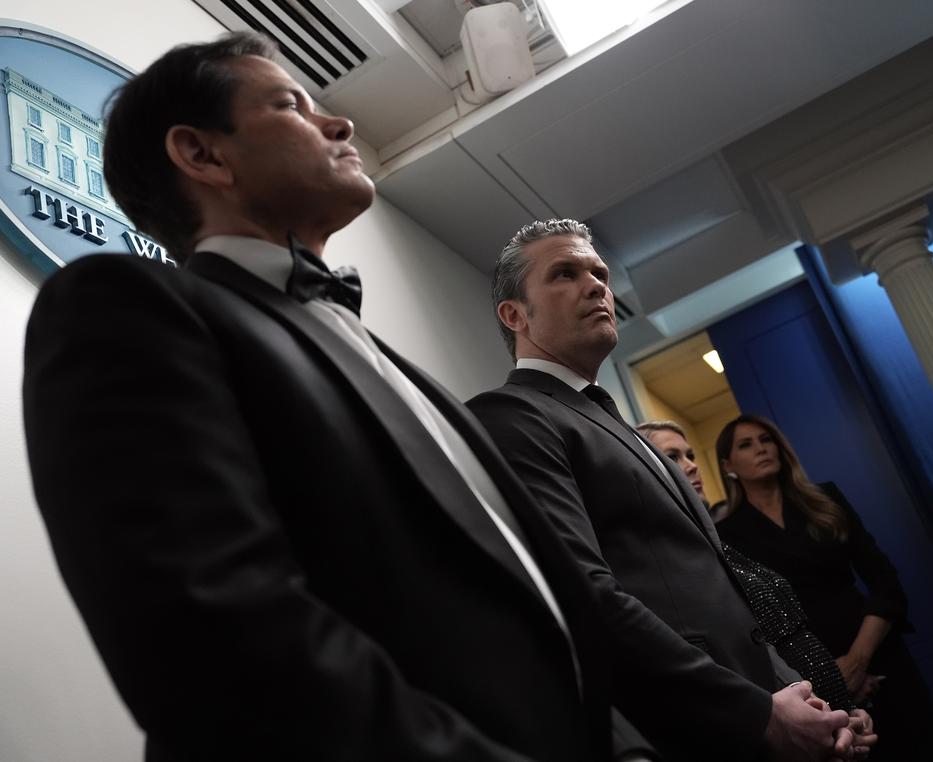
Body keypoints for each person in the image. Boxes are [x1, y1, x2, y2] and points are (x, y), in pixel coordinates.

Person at [22, 34, 643, 761]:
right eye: (291, 105)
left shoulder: (394, 366)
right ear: (202, 155)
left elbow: (539, 597)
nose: (341, 125)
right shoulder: (122, 309)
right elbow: (216, 640)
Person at [467, 219, 865, 762]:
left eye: (599, 274)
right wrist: (757, 712)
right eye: (565, 273)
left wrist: (812, 703)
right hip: (687, 730)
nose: (595, 286)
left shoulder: (622, 429)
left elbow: (727, 596)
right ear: (515, 315)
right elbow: (583, 593)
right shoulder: (511, 416)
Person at [714, 414, 933, 761]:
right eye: (746, 444)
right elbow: (756, 623)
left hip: (877, 655)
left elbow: (886, 583)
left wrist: (858, 661)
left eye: (766, 439)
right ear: (728, 465)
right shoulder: (729, 535)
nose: (761, 449)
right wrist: (833, 678)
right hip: (813, 681)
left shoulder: (825, 499)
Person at [635, 421, 858, 713]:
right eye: (673, 457)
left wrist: (846, 711)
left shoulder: (713, 543)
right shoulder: (669, 561)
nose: (691, 466)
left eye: (690, 455)